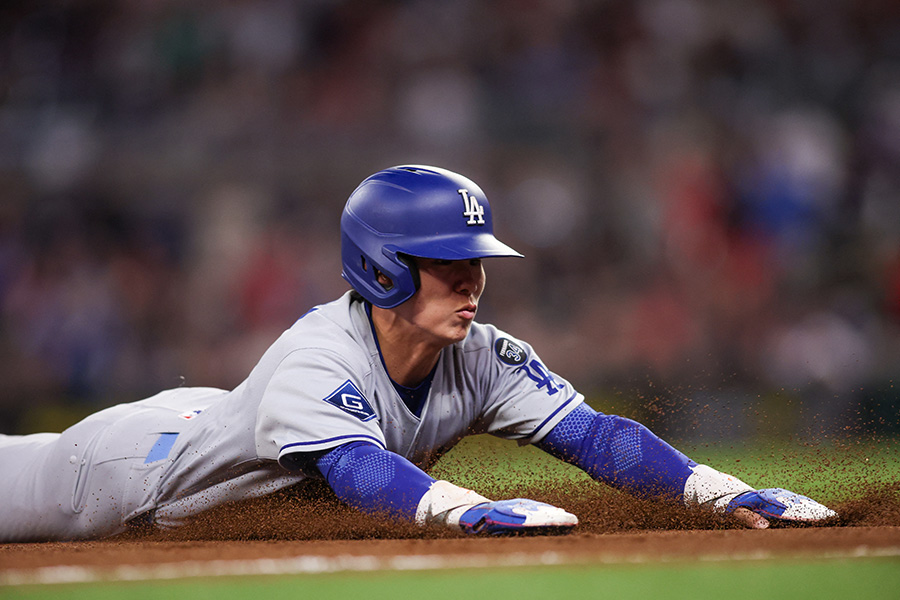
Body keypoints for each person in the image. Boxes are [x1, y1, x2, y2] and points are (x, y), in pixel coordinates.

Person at [0, 165, 836, 542]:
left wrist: (718, 492)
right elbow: (360, 472)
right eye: (446, 261)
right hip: (125, 475)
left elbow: (594, 436)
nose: (471, 279)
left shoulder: (483, 353)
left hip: (209, 418)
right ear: (382, 268)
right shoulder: (316, 357)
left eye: (476, 260)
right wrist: (462, 510)